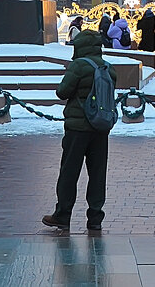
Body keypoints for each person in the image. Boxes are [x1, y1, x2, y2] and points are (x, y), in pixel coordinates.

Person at [42, 28, 117, 231]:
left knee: (69, 172)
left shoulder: (78, 66)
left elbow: (62, 92)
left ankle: (63, 215)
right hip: (101, 127)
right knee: (98, 173)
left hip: (77, 128)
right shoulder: (108, 68)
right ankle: (95, 218)